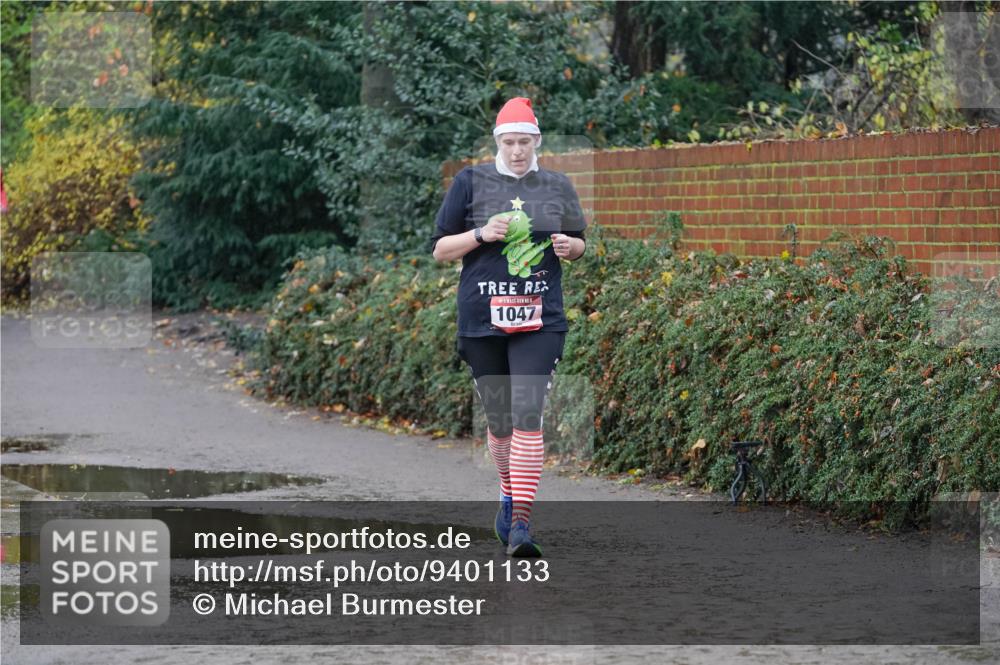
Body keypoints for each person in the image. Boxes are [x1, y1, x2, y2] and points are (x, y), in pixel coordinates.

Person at [430, 97, 587, 557]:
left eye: (525, 141)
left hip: (541, 318)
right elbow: (440, 249)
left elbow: (581, 243)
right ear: (497, 142)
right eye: (509, 142)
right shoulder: (470, 182)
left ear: (537, 141)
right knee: (500, 425)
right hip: (482, 319)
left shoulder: (557, 185)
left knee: (527, 415)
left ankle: (521, 525)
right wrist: (481, 235)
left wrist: (570, 247)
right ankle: (507, 490)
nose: (517, 150)